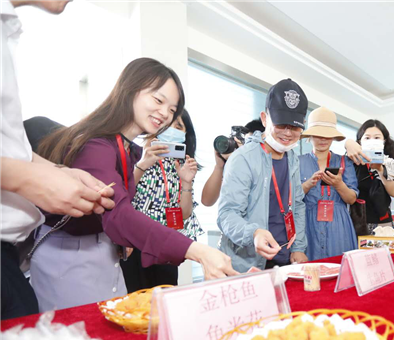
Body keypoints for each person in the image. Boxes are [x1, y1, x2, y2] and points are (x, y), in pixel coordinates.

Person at [33, 57, 236, 311]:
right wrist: (197, 250)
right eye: (158, 100)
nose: (165, 114)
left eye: (172, 110)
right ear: (130, 89)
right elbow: (118, 213)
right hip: (70, 261)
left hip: (106, 252)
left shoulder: (126, 148)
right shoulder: (97, 146)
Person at [1, 0, 115, 320]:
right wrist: (25, 178)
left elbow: (11, 148)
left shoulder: (8, 31)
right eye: (158, 100)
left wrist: (60, 172)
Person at [217, 79, 308, 272]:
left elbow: (297, 205)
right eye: (281, 124)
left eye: (294, 126)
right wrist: (254, 233)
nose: (288, 133)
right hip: (248, 264)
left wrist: (298, 246)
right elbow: (227, 214)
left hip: (285, 259)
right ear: (265, 119)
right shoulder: (243, 158)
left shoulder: (293, 158)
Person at [120, 109, 204, 291]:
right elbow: (122, 194)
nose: (172, 129)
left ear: (186, 134)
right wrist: (143, 164)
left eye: (178, 126)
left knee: (165, 297)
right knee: (133, 298)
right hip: (134, 241)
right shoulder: (135, 154)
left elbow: (184, 213)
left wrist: (186, 182)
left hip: (165, 243)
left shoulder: (184, 166)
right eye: (168, 124)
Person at [299, 107, 358, 260]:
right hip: (308, 225)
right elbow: (291, 197)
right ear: (310, 136)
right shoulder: (297, 162)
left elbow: (351, 199)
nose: (323, 139)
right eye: (318, 135)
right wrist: (307, 185)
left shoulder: (344, 162)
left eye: (328, 135)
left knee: (339, 268)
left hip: (338, 225)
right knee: (310, 269)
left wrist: (339, 184)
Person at [344, 120, 394, 234]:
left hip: (383, 224)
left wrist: (380, 169)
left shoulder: (389, 162)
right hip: (357, 223)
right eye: (367, 138)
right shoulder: (353, 162)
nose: (372, 141)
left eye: (377, 138)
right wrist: (348, 143)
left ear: (384, 140)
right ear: (360, 141)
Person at [201, 119, 264, 207]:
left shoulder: (268, 167)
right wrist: (219, 166)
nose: (246, 148)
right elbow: (207, 201)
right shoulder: (235, 162)